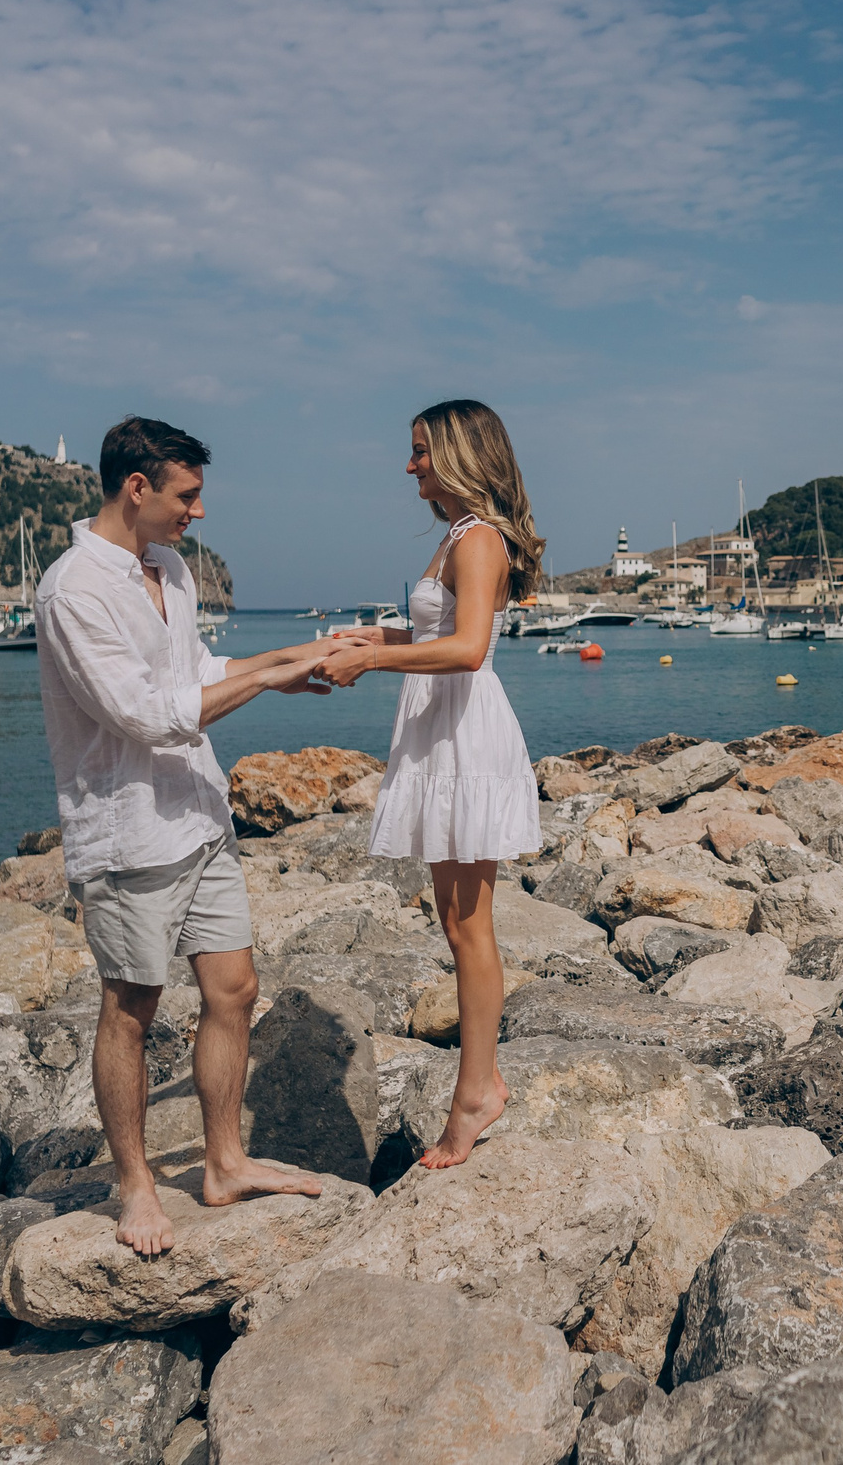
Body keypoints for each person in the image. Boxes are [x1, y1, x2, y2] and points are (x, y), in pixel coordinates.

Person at [36, 415, 344, 1254]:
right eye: (187, 494)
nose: (197, 512)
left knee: (234, 989)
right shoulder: (73, 591)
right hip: (129, 831)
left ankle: (224, 1161)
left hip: (200, 812)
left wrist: (287, 665)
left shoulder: (167, 569)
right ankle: (135, 1186)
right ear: (137, 488)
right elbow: (145, 714)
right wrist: (275, 670)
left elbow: (194, 674)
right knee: (131, 1009)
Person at [321, 399, 546, 1167]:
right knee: (457, 922)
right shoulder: (456, 536)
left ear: (457, 455)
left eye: (420, 451)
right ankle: (478, 1083)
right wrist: (367, 638)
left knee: (470, 926)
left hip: (464, 734)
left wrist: (376, 660)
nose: (410, 465)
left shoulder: (478, 538)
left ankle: (477, 1092)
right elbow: (434, 634)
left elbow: (470, 647)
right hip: (443, 731)